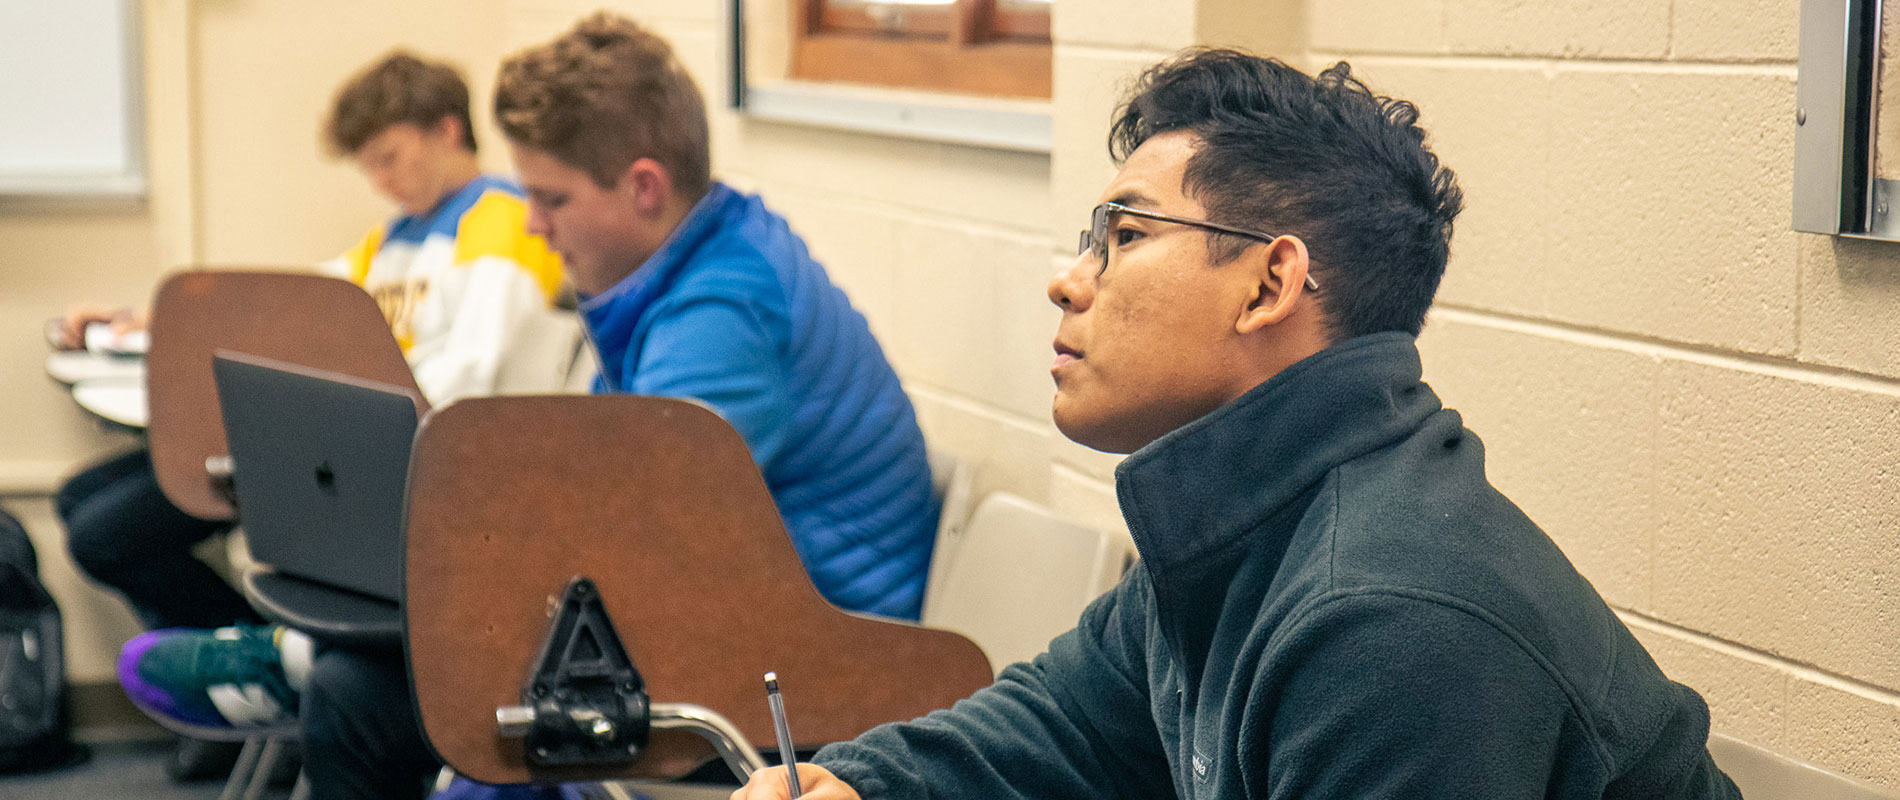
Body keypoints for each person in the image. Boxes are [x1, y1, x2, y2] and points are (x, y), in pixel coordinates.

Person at [732, 50, 1743, 800]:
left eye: (1123, 235)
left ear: (1269, 283)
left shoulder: (1386, 616)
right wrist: (859, 784)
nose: (1065, 278)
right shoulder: (1247, 523)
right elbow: (1073, 721)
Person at [132, 15, 940, 800]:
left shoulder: (723, 315)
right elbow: (604, 507)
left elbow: (628, 551)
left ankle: (299, 658)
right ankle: (303, 656)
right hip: (736, 629)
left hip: (806, 681)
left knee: (359, 701)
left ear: (644, 188)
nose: (533, 223)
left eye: (550, 198)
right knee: (367, 684)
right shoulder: (680, 272)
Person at [70, 49, 567, 778]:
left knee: (115, 523)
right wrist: (146, 321)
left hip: (405, 471)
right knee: (98, 500)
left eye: (392, 157)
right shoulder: (397, 236)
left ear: (447, 130)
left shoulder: (499, 226)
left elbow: (472, 378)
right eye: (369, 167)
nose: (383, 181)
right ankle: (263, 666)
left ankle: (268, 669)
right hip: (351, 452)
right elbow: (290, 312)